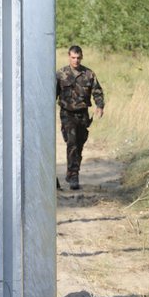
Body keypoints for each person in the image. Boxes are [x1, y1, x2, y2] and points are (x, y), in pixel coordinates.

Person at [56, 45, 105, 190]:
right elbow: (52, 93)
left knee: (79, 145)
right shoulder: (61, 74)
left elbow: (97, 91)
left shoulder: (88, 74)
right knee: (72, 144)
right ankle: (74, 176)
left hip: (83, 115)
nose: (75, 60)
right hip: (67, 114)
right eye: (73, 57)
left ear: (81, 57)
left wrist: (100, 106)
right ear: (69, 57)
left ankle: (71, 172)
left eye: (78, 58)